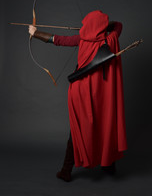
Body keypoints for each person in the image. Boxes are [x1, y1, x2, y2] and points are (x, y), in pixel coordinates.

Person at [29, 10, 128, 182]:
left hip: (81, 93)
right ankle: (108, 165)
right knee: (106, 124)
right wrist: (105, 26)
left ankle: (67, 171)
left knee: (78, 130)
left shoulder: (81, 40)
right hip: (103, 95)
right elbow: (119, 25)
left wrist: (35, 33)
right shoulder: (110, 38)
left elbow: (57, 40)